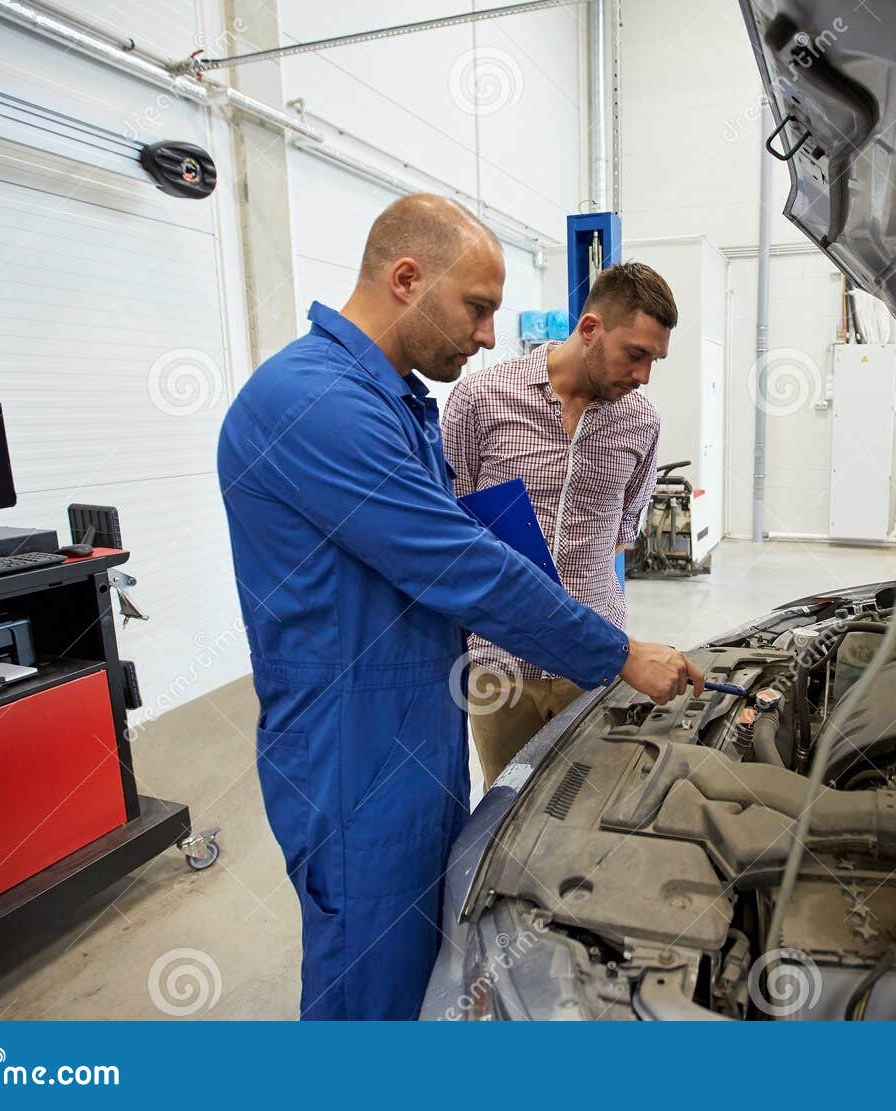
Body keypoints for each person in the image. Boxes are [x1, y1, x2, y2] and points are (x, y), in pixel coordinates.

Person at [216, 194, 702, 1021]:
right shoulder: (315, 403)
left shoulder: (392, 400)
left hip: (416, 717)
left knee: (425, 954)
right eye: (477, 308)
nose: (486, 335)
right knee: (368, 977)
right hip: (354, 747)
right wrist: (620, 653)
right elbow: (461, 562)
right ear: (407, 279)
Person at [441, 261, 676, 787]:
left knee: (589, 804)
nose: (643, 376)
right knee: (505, 805)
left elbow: (622, 534)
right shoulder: (479, 400)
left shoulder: (642, 421)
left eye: (654, 360)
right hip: (500, 664)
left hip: (595, 661)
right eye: (635, 355)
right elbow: (449, 525)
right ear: (590, 329)